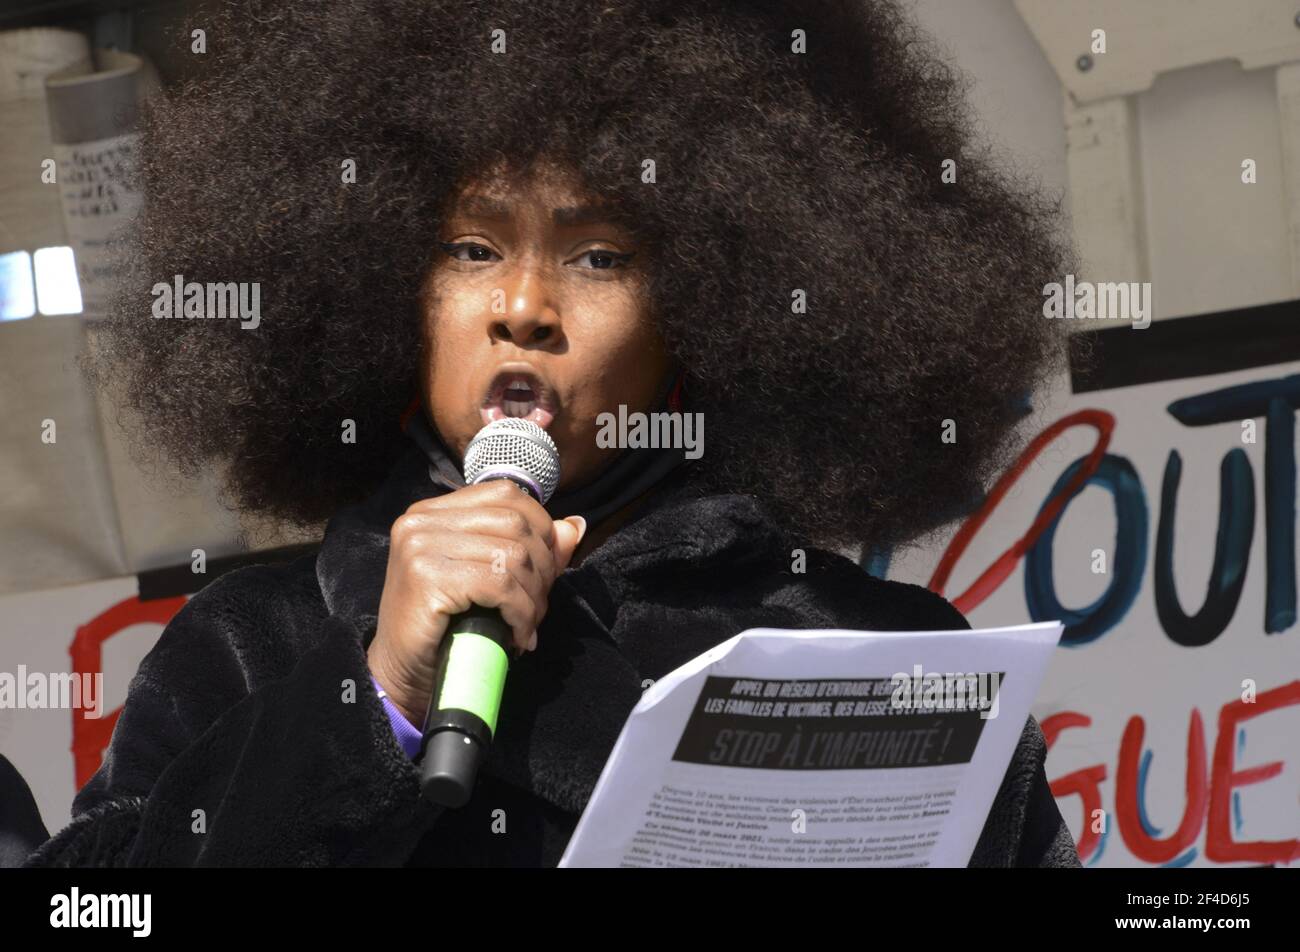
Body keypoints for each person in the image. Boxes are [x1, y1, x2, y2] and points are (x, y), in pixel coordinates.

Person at [26, 0, 1088, 867]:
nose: (523, 304)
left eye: (598, 258)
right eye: (472, 247)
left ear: (713, 310)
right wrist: (377, 702)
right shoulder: (252, 643)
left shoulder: (877, 654)